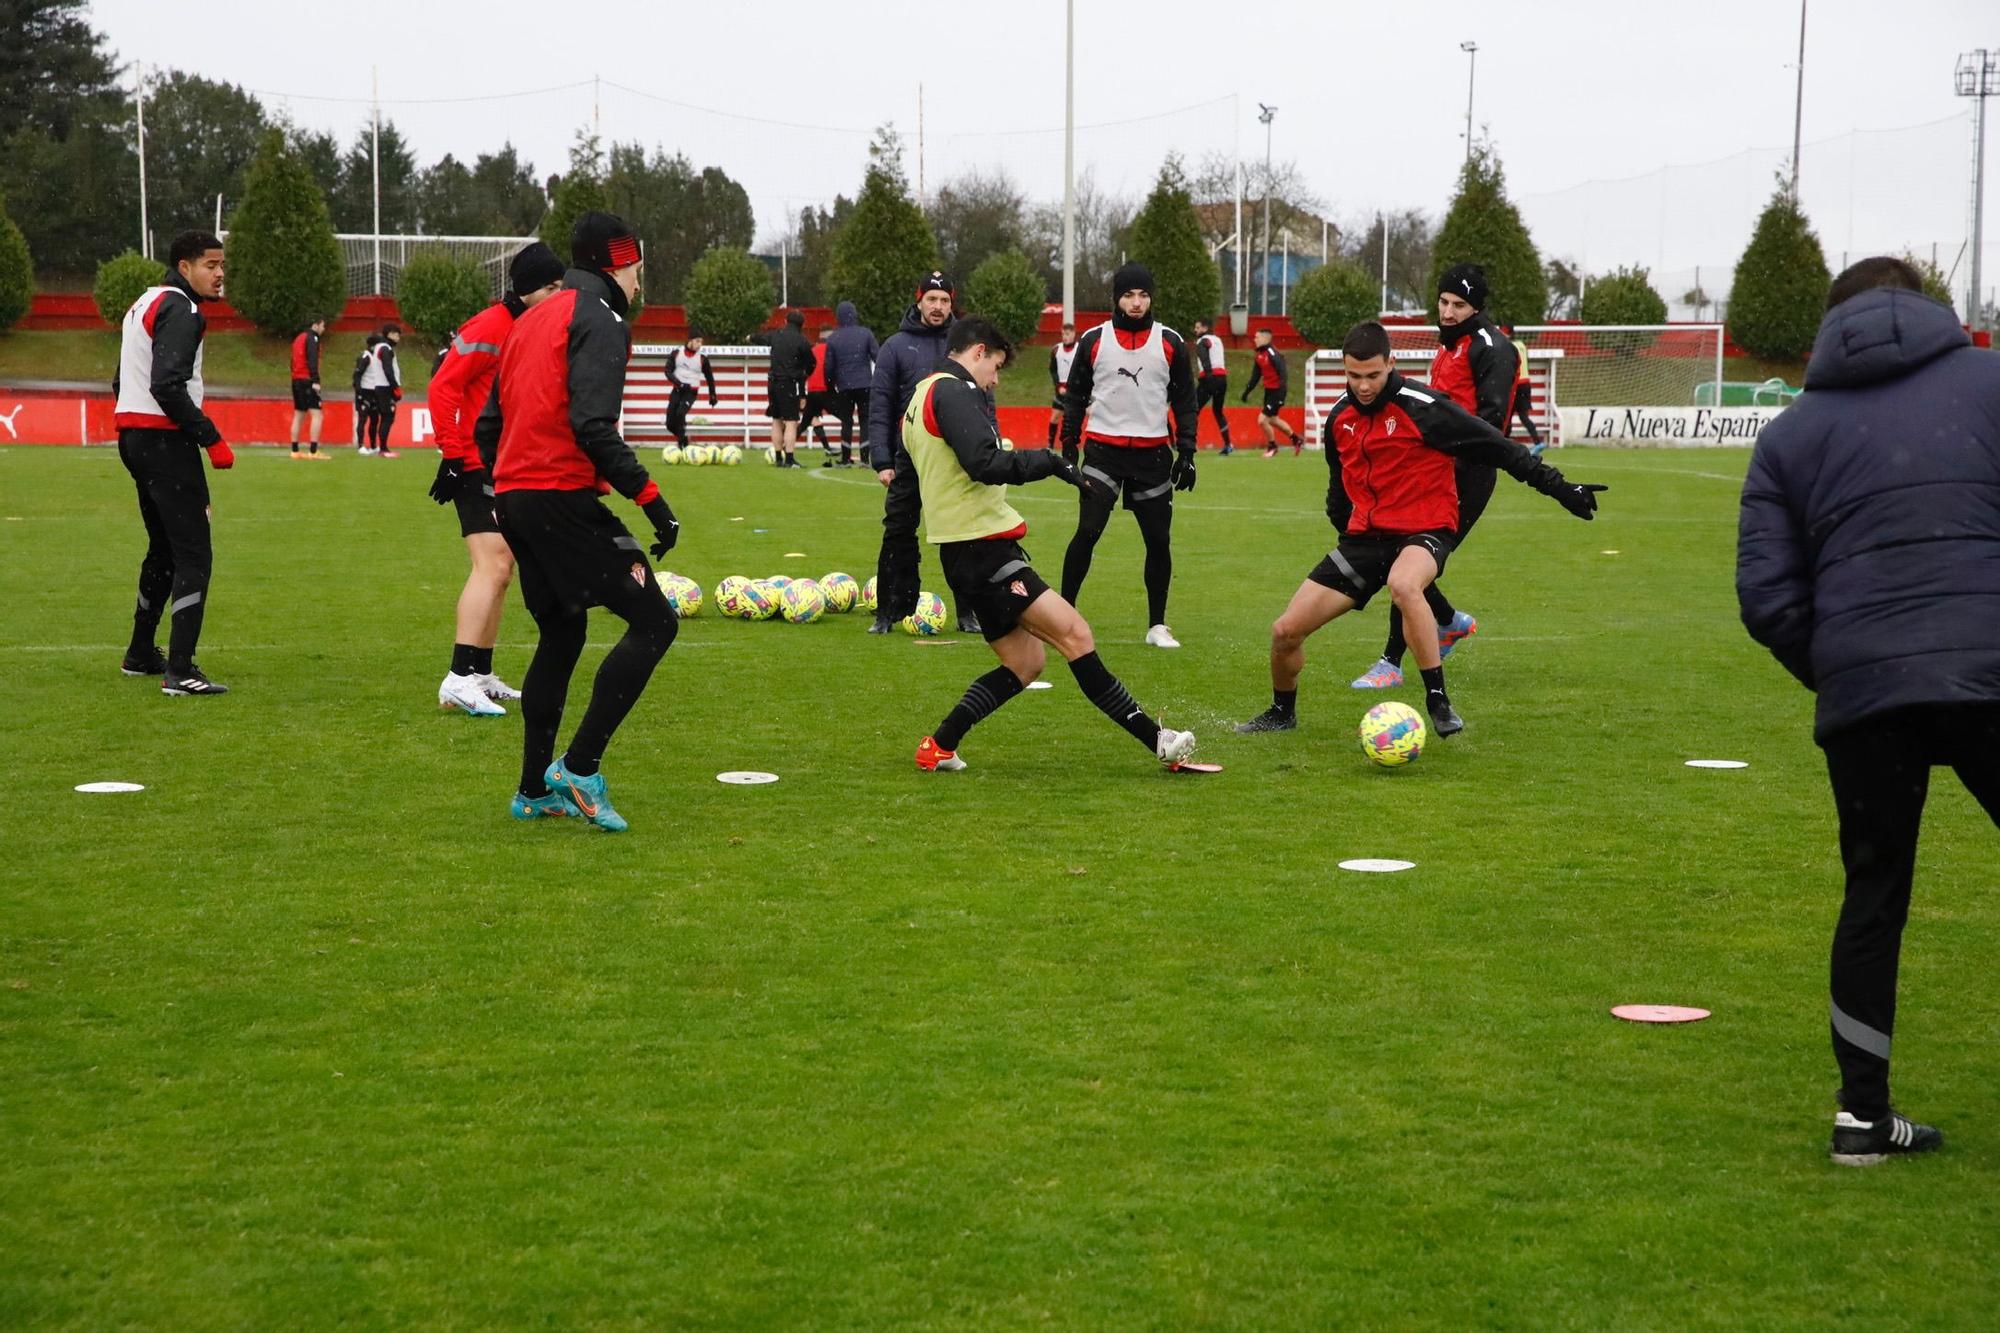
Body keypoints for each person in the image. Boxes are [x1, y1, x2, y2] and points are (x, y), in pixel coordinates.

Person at [1736, 257, 2000, 1166]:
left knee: (1874, 894)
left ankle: (1861, 1115)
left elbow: (1767, 599)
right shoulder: (1991, 379)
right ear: (1928, 305)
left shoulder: (1790, 435)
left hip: (1865, 695)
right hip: (1990, 671)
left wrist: (1847, 669)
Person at [1236, 321, 1603, 738]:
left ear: (1391, 363)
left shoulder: (1425, 407)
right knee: (1285, 631)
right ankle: (1282, 713)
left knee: (1405, 584)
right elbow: (1338, 491)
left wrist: (1562, 488)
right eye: (1354, 376)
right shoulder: (1339, 418)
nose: (1364, 386)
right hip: (1363, 541)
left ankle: (1438, 701)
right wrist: (1347, 528)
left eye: (1373, 375)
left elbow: (1500, 448)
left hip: (1424, 531)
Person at [904, 317, 1198, 773]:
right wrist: (1050, 463)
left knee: (1026, 663)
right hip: (984, 551)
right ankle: (1157, 740)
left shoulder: (920, 396)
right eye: (996, 367)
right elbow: (985, 462)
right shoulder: (952, 391)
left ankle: (938, 745)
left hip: (965, 552)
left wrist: (900, 558)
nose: (995, 380)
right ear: (977, 352)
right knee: (1075, 633)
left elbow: (908, 486)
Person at [474, 211, 680, 833]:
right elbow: (593, 426)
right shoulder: (602, 318)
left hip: (515, 497)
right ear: (617, 263)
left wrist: (512, 482)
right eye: (639, 270)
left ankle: (533, 788)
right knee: (655, 623)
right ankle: (580, 766)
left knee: (561, 636)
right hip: (556, 494)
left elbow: (489, 427)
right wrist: (652, 500)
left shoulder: (531, 317)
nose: (641, 284)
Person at [1350, 263, 1515, 690]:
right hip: (1435, 469)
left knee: (1410, 559)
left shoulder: (1493, 348)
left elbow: (1489, 422)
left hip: (1469, 473)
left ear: (1476, 307)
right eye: (1443, 301)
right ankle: (1447, 621)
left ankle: (1391, 661)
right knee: (1403, 555)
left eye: (1458, 304)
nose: (1447, 311)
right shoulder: (1449, 345)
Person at [425, 239, 566, 718]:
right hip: (474, 463)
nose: (559, 292)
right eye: (550, 285)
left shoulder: (532, 326)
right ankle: (459, 677)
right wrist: (452, 455)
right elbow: (444, 385)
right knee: (494, 566)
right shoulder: (490, 325)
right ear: (526, 288)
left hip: (507, 463)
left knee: (502, 571)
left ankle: (479, 674)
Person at [113, 229, 234, 696]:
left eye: (222, 264)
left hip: (136, 438)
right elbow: (167, 383)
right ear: (184, 267)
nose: (220, 273)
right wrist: (210, 437)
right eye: (210, 265)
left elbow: (119, 379)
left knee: (163, 548)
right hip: (164, 442)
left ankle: (141, 652)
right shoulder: (181, 309)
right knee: (193, 554)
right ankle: (180, 670)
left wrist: (131, 425)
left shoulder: (143, 302)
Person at [1058, 262, 1198, 650]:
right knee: (1087, 532)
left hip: (1153, 456)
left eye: (1142, 295)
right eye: (1128, 295)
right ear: (1116, 298)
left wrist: (1187, 451)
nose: (1136, 303)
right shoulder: (1093, 340)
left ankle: (1157, 625)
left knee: (1158, 541)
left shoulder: (1170, 341)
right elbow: (1075, 397)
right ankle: (1063, 616)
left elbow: (1186, 400)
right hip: (1102, 454)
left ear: (1151, 297)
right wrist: (1069, 444)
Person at [869, 270, 972, 633]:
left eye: (945, 301)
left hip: (955, 458)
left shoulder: (964, 346)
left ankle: (967, 613)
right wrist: (881, 458)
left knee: (960, 535)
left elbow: (983, 400)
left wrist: (987, 448)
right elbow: (880, 403)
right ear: (919, 301)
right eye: (932, 299)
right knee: (897, 531)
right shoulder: (895, 346)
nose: (938, 307)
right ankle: (886, 613)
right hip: (908, 457)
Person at [823, 299, 878, 467]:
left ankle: (846, 458)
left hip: (844, 386)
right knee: (865, 420)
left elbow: (829, 367)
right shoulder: (866, 333)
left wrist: (830, 386)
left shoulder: (833, 338)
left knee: (846, 421)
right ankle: (864, 458)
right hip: (865, 384)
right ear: (855, 314)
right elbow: (878, 356)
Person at [764, 309, 812, 468]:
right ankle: (790, 459)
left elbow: (761, 338)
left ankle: (778, 458)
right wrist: (804, 374)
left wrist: (750, 337)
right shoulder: (802, 341)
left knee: (776, 420)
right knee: (791, 422)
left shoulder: (776, 335)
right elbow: (812, 363)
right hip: (789, 384)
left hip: (772, 382)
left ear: (786, 321)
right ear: (801, 325)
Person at [1240, 326, 1299, 456]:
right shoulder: (1260, 355)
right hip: (1269, 391)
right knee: (1272, 419)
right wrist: (1246, 392)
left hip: (1277, 391)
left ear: (1265, 338)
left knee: (1262, 420)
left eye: (1257, 337)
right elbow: (1255, 377)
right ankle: (1296, 439)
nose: (1255, 339)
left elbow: (1282, 372)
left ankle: (1272, 447)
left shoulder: (1272, 353)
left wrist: (1282, 390)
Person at [664, 331, 719, 453]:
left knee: (680, 414)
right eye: (697, 341)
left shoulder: (703, 358)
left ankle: (682, 448)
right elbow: (667, 371)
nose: (700, 344)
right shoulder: (676, 353)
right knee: (669, 423)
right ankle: (684, 439)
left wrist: (713, 395)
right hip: (677, 390)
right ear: (690, 340)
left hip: (691, 392)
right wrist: (679, 383)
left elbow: (710, 378)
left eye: (701, 342)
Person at [357, 323, 404, 457]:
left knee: (384, 417)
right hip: (385, 387)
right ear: (389, 334)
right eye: (396, 334)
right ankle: (383, 448)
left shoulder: (378, 347)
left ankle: (381, 447)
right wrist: (395, 387)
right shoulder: (385, 349)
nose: (398, 338)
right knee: (387, 417)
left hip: (379, 386)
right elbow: (388, 369)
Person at [1192, 315, 1233, 455]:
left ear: (1205, 328)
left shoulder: (1201, 341)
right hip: (1222, 378)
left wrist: (1208, 377)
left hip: (1209, 378)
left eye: (1197, 327)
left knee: (1193, 410)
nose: (1195, 330)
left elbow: (1204, 359)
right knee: (1218, 411)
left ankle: (1190, 443)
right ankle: (1228, 444)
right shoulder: (1218, 340)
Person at [288, 315, 327, 459]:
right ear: (315, 325)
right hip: (307, 380)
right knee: (317, 414)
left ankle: (295, 450)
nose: (323, 329)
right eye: (322, 326)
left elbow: (292, 360)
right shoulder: (313, 338)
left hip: (296, 379)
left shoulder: (299, 338)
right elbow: (312, 359)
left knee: (299, 414)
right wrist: (316, 380)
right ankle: (313, 450)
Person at [1503, 324, 1544, 453]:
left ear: (1508, 334)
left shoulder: (1508, 346)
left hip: (1516, 384)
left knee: (1507, 416)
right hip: (1526, 384)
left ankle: (1502, 445)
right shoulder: (1521, 345)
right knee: (1522, 416)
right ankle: (1538, 442)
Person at [803, 328, 840, 463]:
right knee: (845, 417)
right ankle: (784, 448)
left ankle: (784, 448)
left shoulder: (813, 349)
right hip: (824, 389)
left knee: (810, 420)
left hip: (810, 390)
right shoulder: (831, 350)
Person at [1047, 320, 1079, 459]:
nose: (1065, 337)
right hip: (1061, 389)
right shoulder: (1056, 350)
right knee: (1054, 418)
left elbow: (1083, 369)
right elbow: (1053, 370)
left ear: (1073, 334)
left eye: (1067, 334)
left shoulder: (1080, 348)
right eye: (1063, 334)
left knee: (1087, 415)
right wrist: (1058, 386)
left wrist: (1076, 386)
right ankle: (1050, 446)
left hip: (1076, 389)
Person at [351, 329, 381, 450]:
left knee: (374, 419)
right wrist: (359, 393)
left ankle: (373, 445)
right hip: (364, 392)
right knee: (363, 419)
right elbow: (357, 375)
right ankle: (360, 445)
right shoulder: (365, 357)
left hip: (374, 392)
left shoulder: (376, 358)